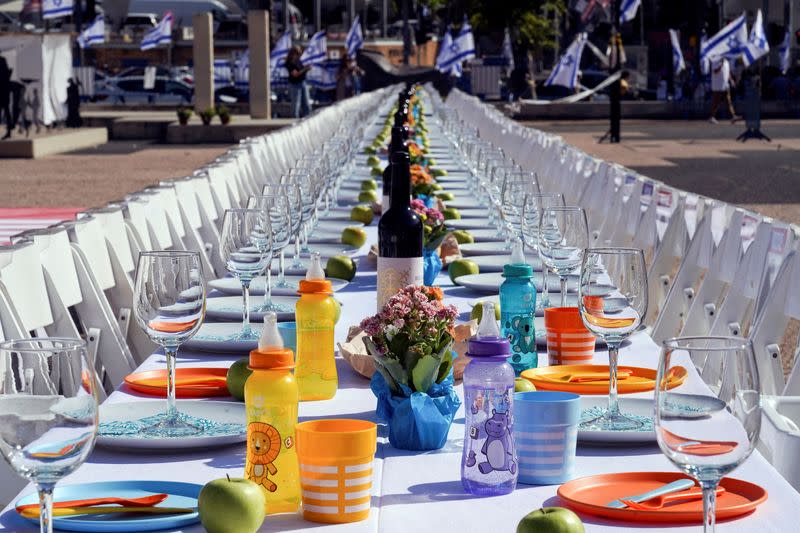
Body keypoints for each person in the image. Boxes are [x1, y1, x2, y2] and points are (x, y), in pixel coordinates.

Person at [709, 57, 740, 124]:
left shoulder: (726, 61)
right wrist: (721, 64)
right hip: (717, 85)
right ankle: (712, 117)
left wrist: (731, 80)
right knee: (716, 102)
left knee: (728, 101)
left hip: (725, 84)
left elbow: (728, 72)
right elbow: (715, 71)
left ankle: (733, 116)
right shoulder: (715, 60)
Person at [285, 45, 311, 118]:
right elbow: (295, 74)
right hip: (295, 84)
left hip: (303, 83)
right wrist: (305, 69)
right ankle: (295, 119)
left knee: (306, 103)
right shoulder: (289, 63)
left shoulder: (299, 61)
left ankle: (307, 118)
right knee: (296, 104)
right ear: (293, 54)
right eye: (298, 54)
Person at [0, 57, 11, 140]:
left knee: (6, 112)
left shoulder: (2, 60)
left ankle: (9, 132)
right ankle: (9, 132)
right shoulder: (3, 61)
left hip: (3, 91)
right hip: (5, 91)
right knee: (6, 112)